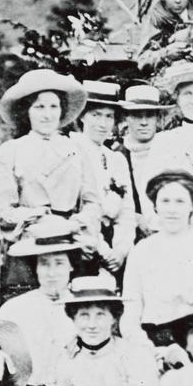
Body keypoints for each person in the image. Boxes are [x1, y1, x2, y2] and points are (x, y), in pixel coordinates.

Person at [0, 69, 100, 297]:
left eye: (54, 107)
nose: (47, 115)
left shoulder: (77, 149)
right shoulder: (11, 150)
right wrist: (35, 217)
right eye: (39, 107)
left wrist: (76, 223)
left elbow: (93, 202)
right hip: (30, 241)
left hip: (71, 239)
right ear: (26, 111)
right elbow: (3, 209)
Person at [119, 170, 193, 352]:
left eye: (180, 202)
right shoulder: (141, 251)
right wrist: (145, 347)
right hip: (154, 341)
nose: (172, 210)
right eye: (165, 201)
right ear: (155, 206)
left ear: (192, 206)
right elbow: (131, 308)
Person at [56, 272, 159, 386]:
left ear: (114, 318)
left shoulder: (135, 356)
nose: (92, 325)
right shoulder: (68, 363)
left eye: (101, 315)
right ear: (73, 319)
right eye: (84, 315)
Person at [0, 216, 80, 386]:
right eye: (44, 264)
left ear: (71, 266)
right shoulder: (14, 309)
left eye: (59, 263)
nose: (52, 273)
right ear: (35, 267)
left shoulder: (84, 308)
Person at [72, 81, 136, 274]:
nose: (102, 124)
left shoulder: (116, 159)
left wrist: (121, 250)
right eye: (95, 115)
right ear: (82, 116)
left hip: (113, 247)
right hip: (81, 245)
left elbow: (126, 212)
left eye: (109, 117)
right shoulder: (70, 152)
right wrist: (102, 250)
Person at [114, 84, 174, 238]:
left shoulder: (173, 149)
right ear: (126, 118)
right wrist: (135, 216)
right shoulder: (116, 156)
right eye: (137, 115)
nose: (144, 122)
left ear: (158, 118)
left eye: (149, 115)